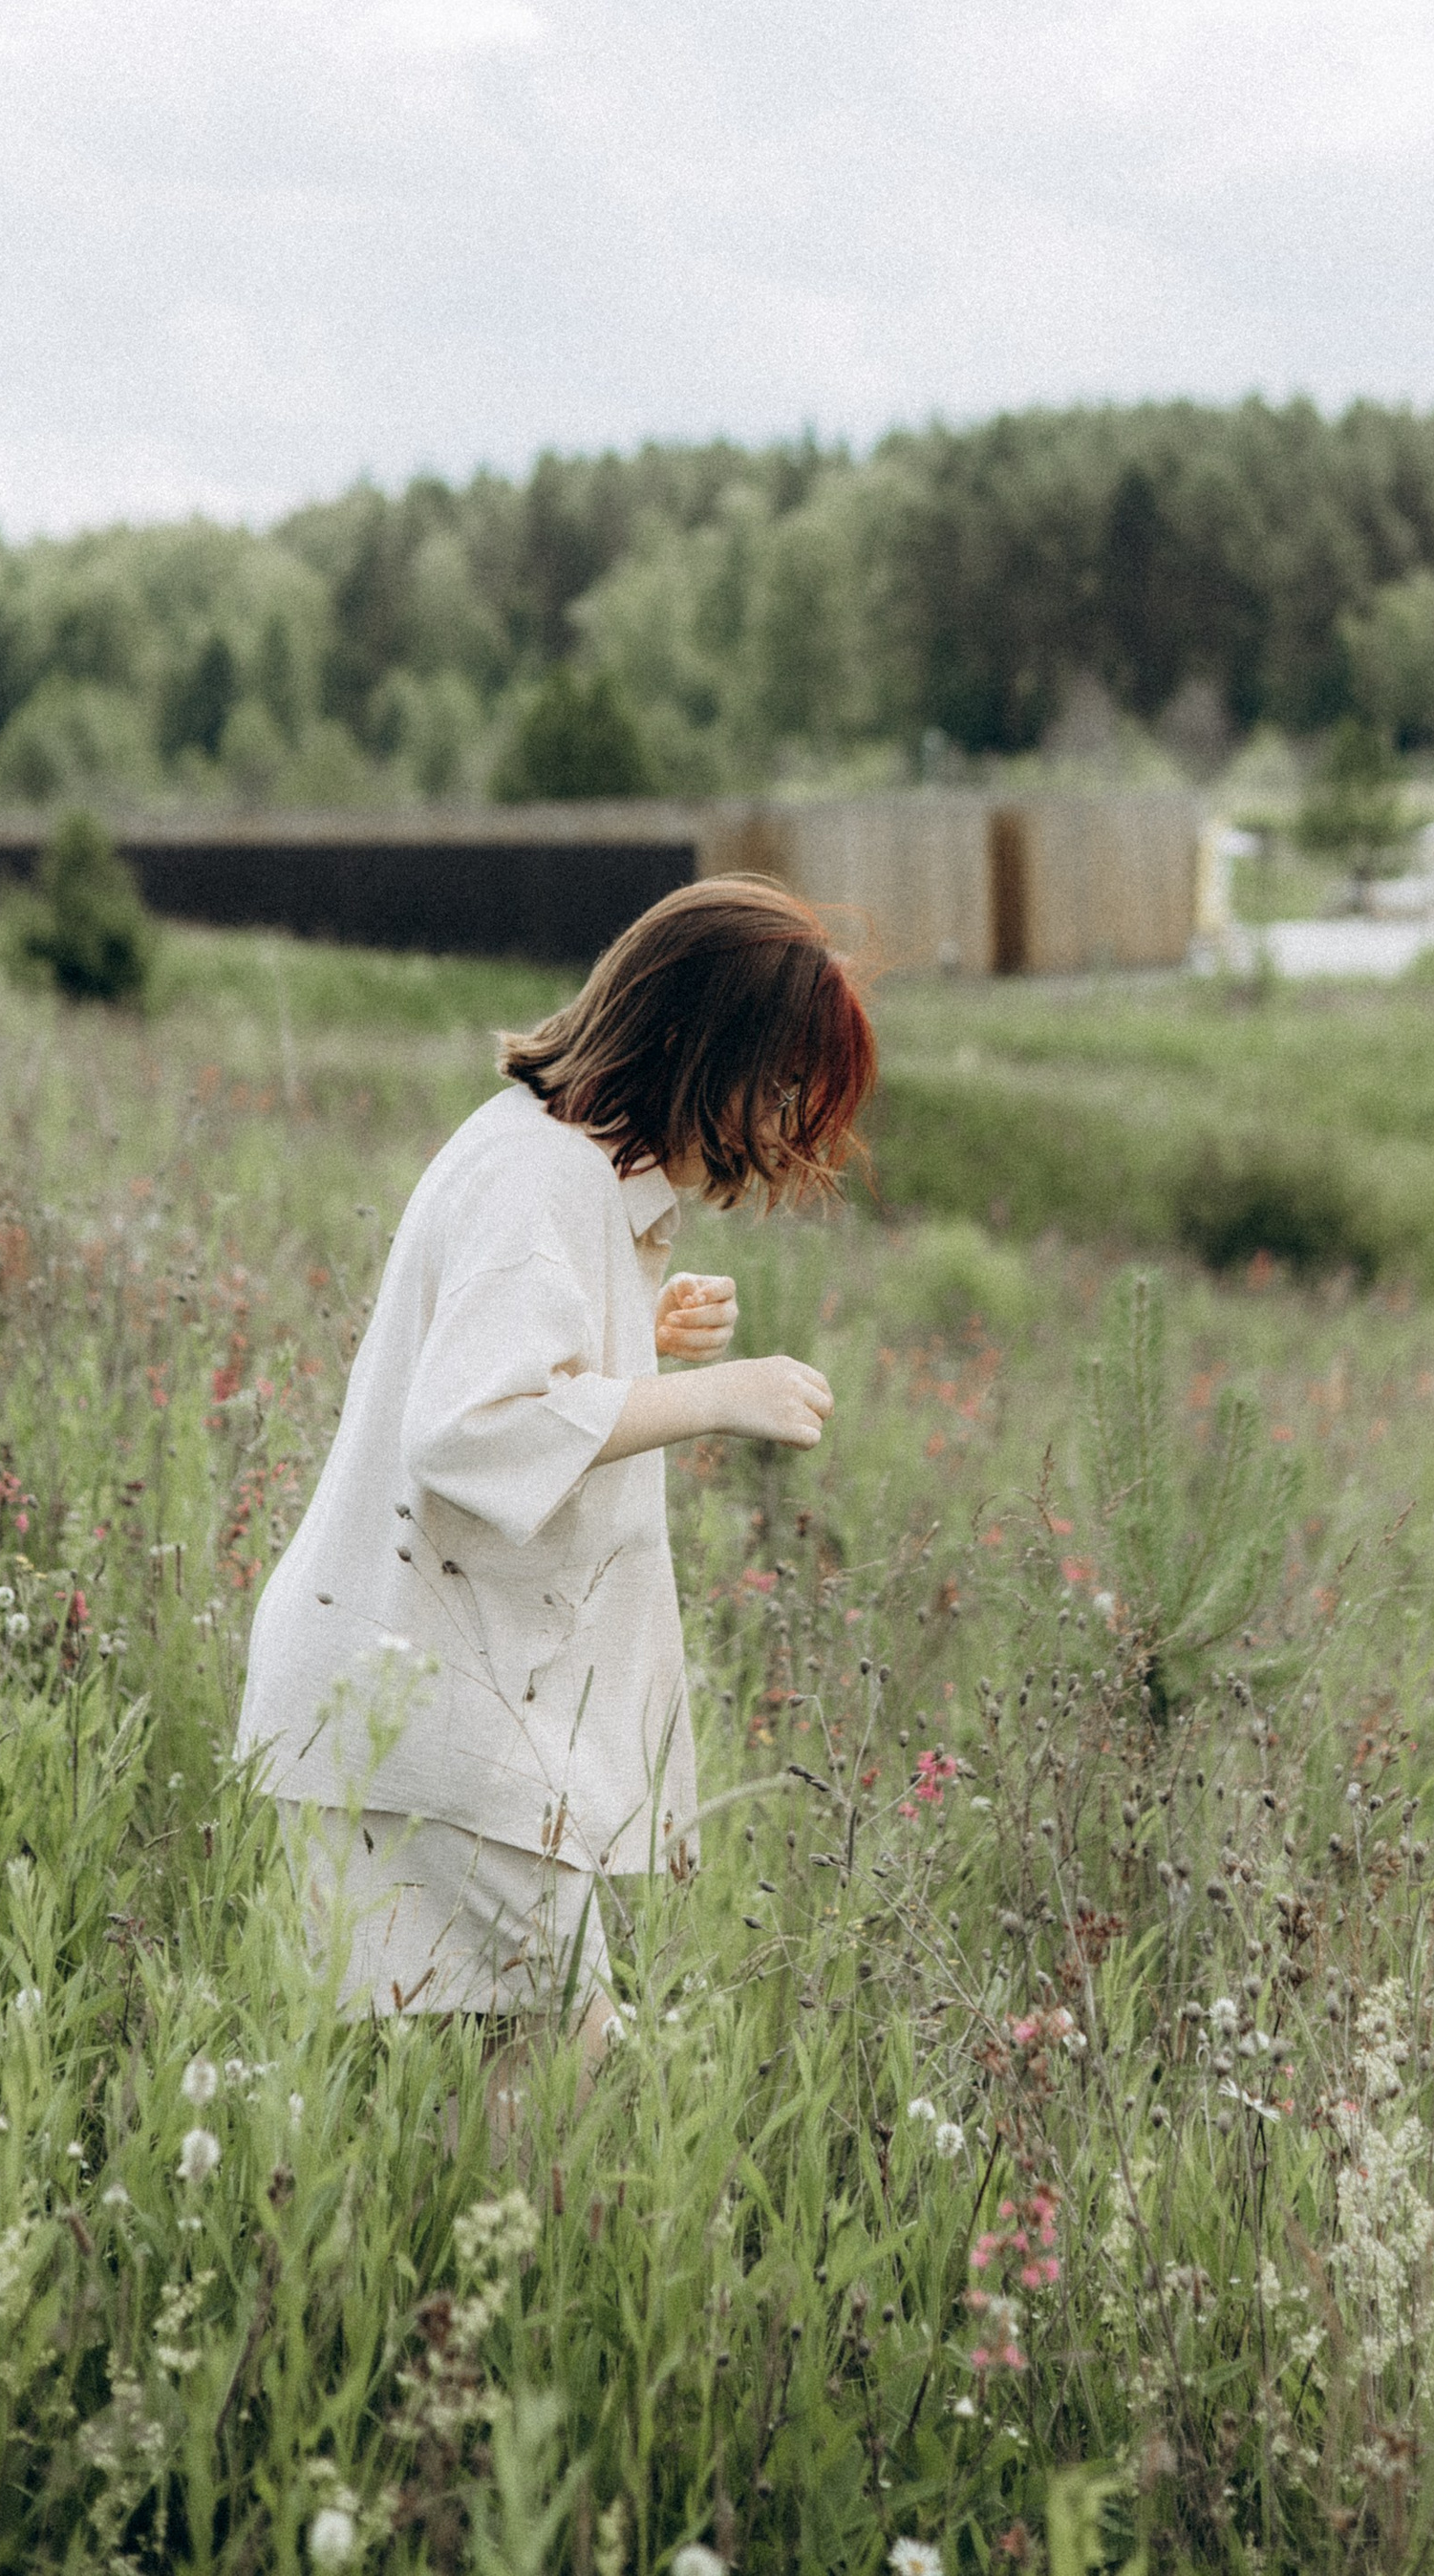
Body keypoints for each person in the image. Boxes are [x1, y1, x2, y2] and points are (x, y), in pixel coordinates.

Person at [235, 874, 875, 2105]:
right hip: (426, 1703)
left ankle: (454, 2284)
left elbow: (504, 1368)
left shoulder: (545, 1156)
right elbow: (472, 1427)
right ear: (694, 1048)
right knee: (570, 2067)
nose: (787, 1129)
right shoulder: (547, 1179)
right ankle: (512, 2284)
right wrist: (717, 1395)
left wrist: (636, 1327)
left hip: (410, 1692)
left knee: (492, 2070)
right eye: (781, 1086)